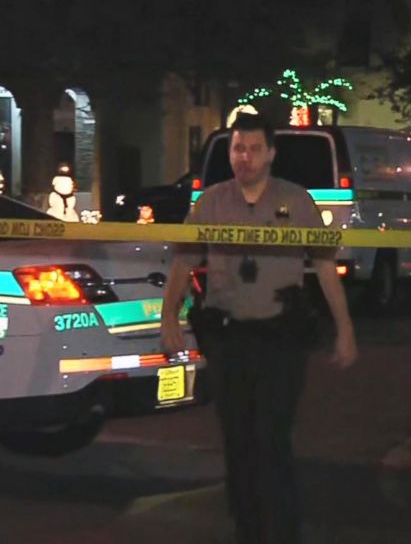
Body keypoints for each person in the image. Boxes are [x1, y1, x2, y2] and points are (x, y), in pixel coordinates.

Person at [161, 113, 358, 543]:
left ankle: (283, 531)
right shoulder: (211, 202)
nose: (243, 158)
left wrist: (345, 328)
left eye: (252, 149)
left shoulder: (297, 201)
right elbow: (183, 261)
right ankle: (248, 529)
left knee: (272, 438)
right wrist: (168, 317)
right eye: (237, 149)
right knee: (238, 441)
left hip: (279, 339)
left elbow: (324, 267)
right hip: (229, 338)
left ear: (270, 153)